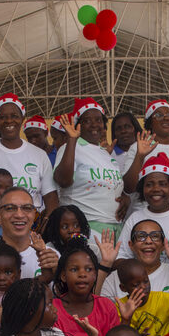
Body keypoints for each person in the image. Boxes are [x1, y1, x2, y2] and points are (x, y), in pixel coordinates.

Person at [51, 241, 134, 336]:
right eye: (74, 269)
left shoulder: (106, 306)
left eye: (88, 269)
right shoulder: (53, 309)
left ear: (95, 275)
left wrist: (125, 321)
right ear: (63, 276)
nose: (82, 274)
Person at [53, 98, 126, 241]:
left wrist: (125, 197)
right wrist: (72, 140)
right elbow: (63, 181)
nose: (94, 125)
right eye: (87, 121)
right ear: (78, 125)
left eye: (98, 120)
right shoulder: (71, 148)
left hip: (115, 227)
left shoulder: (105, 153)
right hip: (87, 226)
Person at [0, 188, 59, 289]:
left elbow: (61, 296)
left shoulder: (51, 257)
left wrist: (57, 273)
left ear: (34, 215)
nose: (19, 215)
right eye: (10, 208)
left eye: (27, 208)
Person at [120, 99, 169, 199]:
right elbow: (128, 188)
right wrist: (140, 156)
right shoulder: (138, 147)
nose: (166, 118)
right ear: (150, 122)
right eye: (159, 115)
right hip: (145, 208)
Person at [100, 222, 169, 298]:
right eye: (141, 236)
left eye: (155, 236)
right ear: (131, 245)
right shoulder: (116, 277)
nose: (148, 241)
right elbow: (97, 307)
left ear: (163, 245)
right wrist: (105, 263)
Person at [108, 259, 169, 336]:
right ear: (123, 288)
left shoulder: (162, 299)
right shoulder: (120, 307)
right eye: (136, 285)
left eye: (146, 281)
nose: (143, 287)